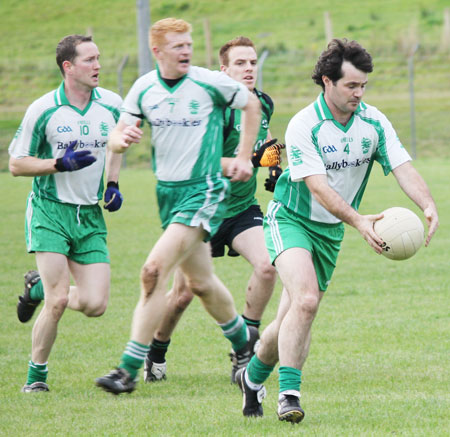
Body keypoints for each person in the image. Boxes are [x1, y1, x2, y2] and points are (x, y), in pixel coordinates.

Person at [235, 38, 439, 423]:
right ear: (327, 82)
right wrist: (360, 221)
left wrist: (426, 204)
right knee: (307, 301)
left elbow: (401, 166)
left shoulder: (373, 121)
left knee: (290, 318)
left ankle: (252, 377)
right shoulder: (304, 125)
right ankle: (289, 396)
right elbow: (317, 186)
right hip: (291, 219)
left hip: (331, 232)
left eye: (363, 86)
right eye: (351, 86)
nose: (359, 94)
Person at [95, 18, 262, 395]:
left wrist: (242, 156)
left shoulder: (208, 82)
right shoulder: (143, 88)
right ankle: (242, 344)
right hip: (167, 194)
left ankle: (128, 368)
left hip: (203, 190)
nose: (186, 51)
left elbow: (250, 104)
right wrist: (121, 141)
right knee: (201, 284)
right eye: (177, 46)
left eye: (188, 44)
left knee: (153, 270)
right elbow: (117, 136)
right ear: (157, 51)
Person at [142, 36, 284, 385]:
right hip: (201, 209)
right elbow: (196, 162)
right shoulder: (211, 107)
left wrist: (274, 167)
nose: (249, 68)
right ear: (223, 69)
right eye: (240, 63)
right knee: (183, 295)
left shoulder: (262, 103)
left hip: (240, 209)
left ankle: (246, 342)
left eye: (252, 62)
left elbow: (263, 145)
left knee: (268, 267)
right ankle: (156, 352)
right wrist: (247, 160)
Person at [8, 34, 123, 393]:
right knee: (59, 300)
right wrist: (59, 164)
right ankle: (36, 377)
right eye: (89, 60)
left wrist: (113, 182)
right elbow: (16, 164)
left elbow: (118, 140)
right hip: (50, 211)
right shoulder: (43, 109)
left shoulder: (113, 104)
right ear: (68, 67)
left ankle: (36, 287)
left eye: (99, 58)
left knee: (95, 304)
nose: (98, 65)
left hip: (89, 215)